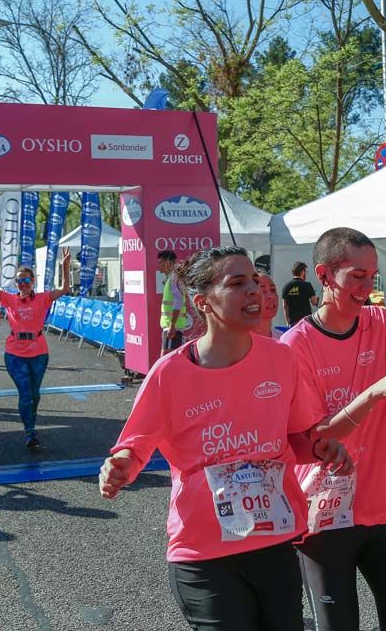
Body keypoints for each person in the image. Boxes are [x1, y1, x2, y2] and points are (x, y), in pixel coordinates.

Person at [99, 246, 355, 631]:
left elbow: (299, 437)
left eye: (255, 280)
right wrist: (119, 466)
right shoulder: (169, 374)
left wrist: (322, 447)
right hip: (204, 554)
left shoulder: (281, 359)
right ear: (203, 302)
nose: (254, 290)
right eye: (237, 283)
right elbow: (133, 446)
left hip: (273, 543)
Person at [281, 227, 386, 631]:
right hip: (322, 513)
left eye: (372, 276)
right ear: (324, 275)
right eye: (356, 276)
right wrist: (376, 391)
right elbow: (318, 438)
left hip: (385, 508)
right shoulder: (295, 346)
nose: (367, 286)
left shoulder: (383, 323)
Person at [0, 246, 71, 451]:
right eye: (19, 280)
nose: (23, 284)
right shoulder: (10, 298)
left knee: (35, 394)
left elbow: (65, 289)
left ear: (33, 282)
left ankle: (31, 422)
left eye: (26, 280)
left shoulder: (43, 298)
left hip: (39, 353)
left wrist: (65, 267)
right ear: (16, 283)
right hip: (15, 353)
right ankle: (29, 432)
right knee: (25, 393)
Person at [157, 250, 187, 350]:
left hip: (173, 328)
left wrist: (172, 325)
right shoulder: (171, 278)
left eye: (161, 262)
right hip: (171, 327)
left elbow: (178, 301)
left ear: (169, 263)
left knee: (168, 360)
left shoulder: (174, 277)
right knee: (166, 360)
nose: (159, 265)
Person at [281, 261, 319, 326]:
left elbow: (285, 306)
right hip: (306, 322)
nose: (305, 274)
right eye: (305, 272)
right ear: (302, 272)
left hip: (293, 322)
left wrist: (287, 322)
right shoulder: (307, 285)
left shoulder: (286, 286)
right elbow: (314, 302)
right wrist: (317, 299)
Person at [256, 272, 282, 340]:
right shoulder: (241, 342)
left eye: (273, 290)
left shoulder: (283, 339)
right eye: (263, 291)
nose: (271, 296)